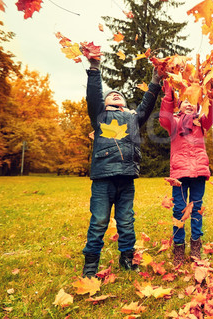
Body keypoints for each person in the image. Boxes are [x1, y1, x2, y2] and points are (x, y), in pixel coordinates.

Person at [82, 56, 162, 278]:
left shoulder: (133, 118)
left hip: (126, 177)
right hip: (103, 177)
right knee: (99, 220)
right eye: (111, 95)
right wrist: (94, 68)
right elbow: (94, 95)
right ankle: (90, 265)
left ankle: (127, 259)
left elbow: (147, 103)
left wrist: (155, 80)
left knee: (126, 220)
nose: (115, 94)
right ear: (105, 103)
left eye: (119, 95)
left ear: (126, 104)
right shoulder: (100, 115)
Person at [158, 83, 213, 264]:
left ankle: (195, 246)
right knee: (179, 209)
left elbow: (212, 114)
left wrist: (211, 95)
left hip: (199, 171)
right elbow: (164, 117)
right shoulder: (174, 123)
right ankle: (178, 247)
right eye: (185, 101)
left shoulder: (201, 122)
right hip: (180, 172)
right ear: (179, 105)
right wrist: (169, 92)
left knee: (197, 209)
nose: (189, 104)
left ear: (198, 105)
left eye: (193, 101)